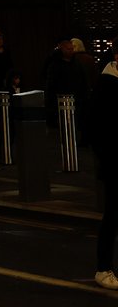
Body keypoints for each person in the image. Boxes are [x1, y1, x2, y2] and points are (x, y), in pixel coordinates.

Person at [89, 36, 118, 290]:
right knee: (112, 216)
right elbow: (97, 130)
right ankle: (103, 268)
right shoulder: (107, 84)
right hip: (115, 162)